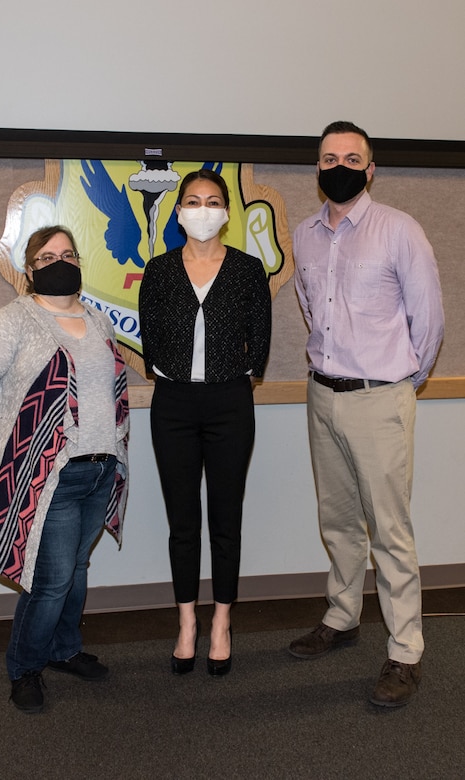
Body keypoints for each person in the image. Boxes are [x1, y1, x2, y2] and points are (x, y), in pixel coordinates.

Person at [289, 121, 444, 706]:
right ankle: (343, 615)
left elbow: (428, 321)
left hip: (380, 397)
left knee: (391, 532)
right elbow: (311, 307)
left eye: (352, 157)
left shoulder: (399, 231)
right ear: (318, 167)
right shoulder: (304, 235)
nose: (340, 165)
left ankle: (406, 651)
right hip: (321, 394)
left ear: (370, 168)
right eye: (329, 157)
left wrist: (402, 381)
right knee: (339, 520)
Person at [0, 225, 129, 714]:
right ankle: (25, 667)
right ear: (30, 269)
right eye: (48, 255)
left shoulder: (98, 320)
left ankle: (63, 649)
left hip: (101, 468)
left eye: (69, 253)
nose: (61, 261)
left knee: (75, 569)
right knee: (49, 579)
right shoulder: (15, 319)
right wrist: (23, 431)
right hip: (50, 473)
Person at [139, 169, 271, 677]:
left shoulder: (246, 270)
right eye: (191, 201)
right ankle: (186, 622)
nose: (202, 209)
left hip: (229, 403)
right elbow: (151, 339)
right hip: (172, 404)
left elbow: (259, 340)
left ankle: (221, 621)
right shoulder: (159, 270)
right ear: (177, 212)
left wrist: (236, 374)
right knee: (182, 522)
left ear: (226, 212)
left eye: (213, 201)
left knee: (225, 517)